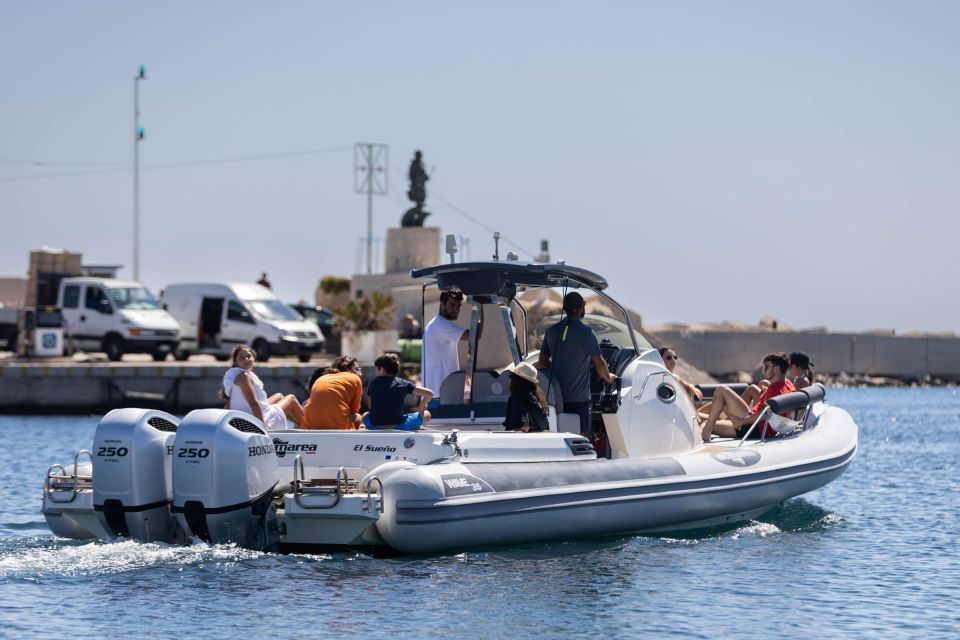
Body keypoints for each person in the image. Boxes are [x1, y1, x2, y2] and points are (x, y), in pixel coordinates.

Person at [536, 291, 616, 435]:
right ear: (581, 308)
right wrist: (609, 377)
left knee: (559, 437)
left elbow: (542, 362)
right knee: (581, 440)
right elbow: (600, 365)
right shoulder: (586, 333)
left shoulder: (551, 331)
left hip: (556, 399)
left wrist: (556, 379)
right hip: (579, 401)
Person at [700, 352, 796, 441]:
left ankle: (706, 433)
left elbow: (764, 414)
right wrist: (766, 393)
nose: (763, 370)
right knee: (752, 389)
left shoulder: (774, 388)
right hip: (760, 426)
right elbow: (772, 408)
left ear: (776, 369)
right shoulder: (788, 384)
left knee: (721, 391)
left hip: (752, 428)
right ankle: (718, 419)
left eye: (766, 367)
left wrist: (741, 422)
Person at [222, 345, 303, 429]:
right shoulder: (244, 376)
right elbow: (253, 403)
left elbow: (230, 404)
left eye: (249, 356)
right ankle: (310, 425)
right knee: (291, 398)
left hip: (247, 417)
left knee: (279, 396)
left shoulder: (233, 377)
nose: (246, 359)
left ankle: (301, 424)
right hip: (255, 420)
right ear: (235, 362)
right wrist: (262, 428)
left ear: (253, 359)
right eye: (241, 357)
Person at [422, 288, 478, 396]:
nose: (456, 309)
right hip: (441, 394)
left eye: (458, 306)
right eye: (452, 305)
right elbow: (474, 335)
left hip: (439, 394)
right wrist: (479, 308)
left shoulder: (436, 323)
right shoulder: (441, 325)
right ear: (442, 305)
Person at [363, 353, 433, 430]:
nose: (375, 371)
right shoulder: (403, 383)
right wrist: (421, 408)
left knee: (365, 415)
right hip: (400, 426)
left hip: (374, 426)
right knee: (427, 414)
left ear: (381, 369)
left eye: (376, 368)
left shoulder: (373, 383)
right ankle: (416, 426)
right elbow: (429, 394)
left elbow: (370, 405)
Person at [300, 356, 364, 429]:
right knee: (358, 417)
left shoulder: (323, 378)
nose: (360, 374)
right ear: (347, 369)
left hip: (310, 424)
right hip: (339, 426)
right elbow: (354, 410)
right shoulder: (354, 378)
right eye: (357, 369)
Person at [502, 361, 548, 433]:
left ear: (517, 380)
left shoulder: (518, 398)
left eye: (511, 376)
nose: (510, 380)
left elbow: (523, 427)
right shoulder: (536, 398)